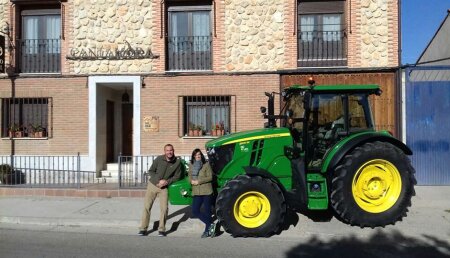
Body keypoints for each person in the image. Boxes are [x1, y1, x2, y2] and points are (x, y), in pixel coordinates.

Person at [138, 144, 182, 237]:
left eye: (171, 150)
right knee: (147, 207)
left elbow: (177, 177)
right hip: (153, 185)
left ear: (173, 151)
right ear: (164, 151)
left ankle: (161, 229)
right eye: (167, 150)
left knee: (164, 209)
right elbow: (151, 171)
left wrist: (166, 182)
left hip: (164, 188)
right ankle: (143, 229)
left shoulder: (177, 162)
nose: (169, 152)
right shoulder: (159, 159)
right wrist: (158, 180)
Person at [189, 148, 216, 238]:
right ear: (193, 156)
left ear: (201, 155)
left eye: (199, 155)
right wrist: (191, 181)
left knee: (208, 212)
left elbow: (210, 177)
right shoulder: (191, 165)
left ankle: (207, 231)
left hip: (206, 191)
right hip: (197, 192)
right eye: (196, 155)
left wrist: (199, 181)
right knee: (195, 210)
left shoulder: (206, 165)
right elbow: (189, 176)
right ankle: (211, 224)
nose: (198, 156)